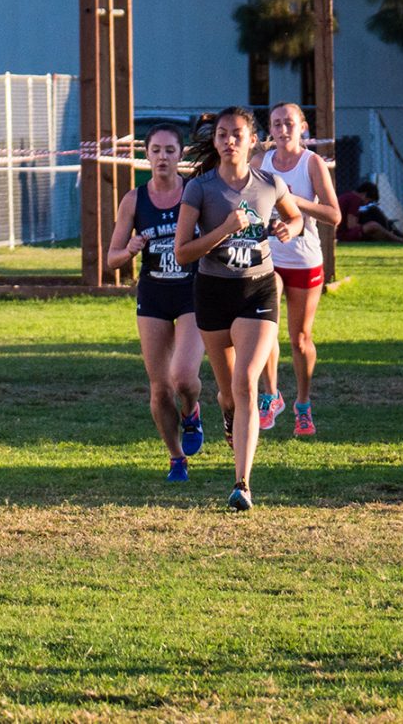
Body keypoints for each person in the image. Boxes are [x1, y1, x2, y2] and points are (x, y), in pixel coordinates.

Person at [174, 107, 303, 511]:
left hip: (258, 291)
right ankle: (228, 415)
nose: (229, 140)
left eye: (237, 134)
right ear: (215, 142)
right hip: (213, 291)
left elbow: (295, 218)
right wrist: (224, 230)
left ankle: (242, 484)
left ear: (252, 141)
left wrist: (288, 228)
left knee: (247, 382)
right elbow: (182, 253)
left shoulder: (270, 184)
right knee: (229, 393)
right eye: (222, 134)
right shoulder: (200, 188)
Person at [107, 123, 205, 483]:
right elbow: (111, 258)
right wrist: (129, 249)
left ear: (182, 155)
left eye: (170, 150)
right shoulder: (134, 200)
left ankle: (192, 412)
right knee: (160, 386)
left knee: (183, 378)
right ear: (145, 155)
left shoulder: (195, 193)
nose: (162, 157)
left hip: (192, 293)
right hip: (153, 295)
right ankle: (176, 456)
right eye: (156, 150)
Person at [250, 102, 341, 436]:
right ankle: (271, 395)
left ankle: (303, 403)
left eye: (289, 123)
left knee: (300, 339)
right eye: (276, 124)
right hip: (267, 257)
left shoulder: (312, 163)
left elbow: (334, 215)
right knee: (263, 329)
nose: (283, 129)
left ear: (303, 127)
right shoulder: (260, 162)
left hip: (303, 258)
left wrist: (291, 201)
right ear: (270, 130)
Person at [336, 181, 403, 243]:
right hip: (342, 234)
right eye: (369, 201)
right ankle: (399, 240)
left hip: (338, 233)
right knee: (374, 225)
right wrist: (366, 226)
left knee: (373, 229)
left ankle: (388, 240)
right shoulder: (355, 199)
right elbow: (351, 225)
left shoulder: (348, 196)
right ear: (365, 195)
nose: (366, 204)